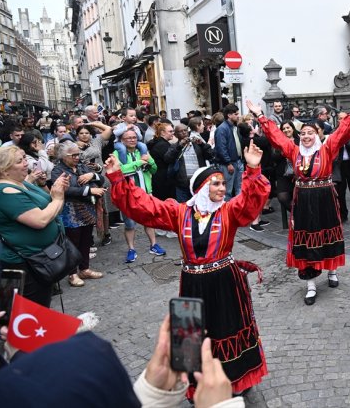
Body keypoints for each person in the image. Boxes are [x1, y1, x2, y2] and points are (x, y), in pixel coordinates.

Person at [108, 138, 269, 397]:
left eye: (223, 184)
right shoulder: (179, 212)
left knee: (229, 328)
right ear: (201, 188)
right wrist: (117, 177)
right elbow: (145, 207)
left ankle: (235, 380)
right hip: (192, 282)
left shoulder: (228, 211)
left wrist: (252, 169)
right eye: (214, 183)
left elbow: (251, 201)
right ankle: (196, 385)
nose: (221, 188)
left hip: (225, 281)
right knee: (191, 334)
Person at [248, 93, 350, 305]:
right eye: (303, 133)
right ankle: (311, 285)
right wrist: (260, 115)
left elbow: (343, 132)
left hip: (325, 199)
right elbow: (276, 136)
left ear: (318, 135)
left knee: (328, 235)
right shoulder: (293, 151)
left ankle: (331, 271)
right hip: (303, 200)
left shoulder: (327, 149)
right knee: (306, 240)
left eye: (310, 133)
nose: (306, 136)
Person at [0, 146, 70, 306]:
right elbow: (40, 220)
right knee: (33, 309)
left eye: (25, 158)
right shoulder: (4, 192)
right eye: (19, 161)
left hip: (41, 256)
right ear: (4, 170)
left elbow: (47, 200)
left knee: (42, 303)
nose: (26, 163)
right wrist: (58, 199)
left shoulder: (21, 182)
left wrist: (56, 191)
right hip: (25, 262)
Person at [51, 141, 105, 287]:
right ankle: (72, 274)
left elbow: (102, 179)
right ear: (63, 156)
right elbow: (66, 189)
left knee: (86, 240)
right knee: (72, 243)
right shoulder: (57, 170)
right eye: (73, 155)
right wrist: (89, 190)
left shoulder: (82, 166)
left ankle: (84, 269)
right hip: (70, 212)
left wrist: (92, 175)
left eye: (78, 154)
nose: (77, 157)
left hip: (87, 209)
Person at [113, 129, 166, 263]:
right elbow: (120, 171)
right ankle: (131, 249)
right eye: (128, 138)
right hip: (128, 195)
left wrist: (150, 163)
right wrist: (138, 163)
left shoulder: (142, 151)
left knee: (149, 220)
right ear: (122, 140)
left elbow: (154, 170)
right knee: (130, 224)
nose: (132, 140)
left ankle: (153, 245)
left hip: (145, 193)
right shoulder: (117, 153)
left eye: (134, 138)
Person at [76, 122, 114, 247]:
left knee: (103, 208)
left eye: (87, 133)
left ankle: (105, 233)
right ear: (77, 135)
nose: (84, 135)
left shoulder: (96, 141)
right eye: (81, 133)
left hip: (100, 177)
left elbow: (108, 128)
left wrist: (90, 123)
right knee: (87, 208)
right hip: (84, 179)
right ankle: (89, 236)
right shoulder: (73, 146)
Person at [167, 123, 213, 202]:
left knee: (199, 207)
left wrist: (202, 144)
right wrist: (179, 147)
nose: (184, 132)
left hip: (198, 182)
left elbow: (211, 154)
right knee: (183, 208)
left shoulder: (197, 145)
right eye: (180, 131)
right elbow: (168, 158)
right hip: (183, 184)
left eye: (185, 130)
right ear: (176, 134)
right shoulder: (174, 146)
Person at [214, 104, 243, 200]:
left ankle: (237, 210)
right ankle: (226, 212)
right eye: (236, 114)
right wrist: (228, 162)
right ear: (229, 115)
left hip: (238, 161)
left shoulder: (234, 127)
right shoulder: (222, 129)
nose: (238, 116)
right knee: (227, 191)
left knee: (239, 188)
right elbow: (221, 148)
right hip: (229, 163)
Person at [273, 120, 300, 213]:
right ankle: (297, 214)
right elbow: (274, 158)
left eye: (288, 127)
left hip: (299, 174)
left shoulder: (300, 140)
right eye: (283, 128)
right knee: (282, 197)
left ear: (292, 128)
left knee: (302, 197)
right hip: (283, 175)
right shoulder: (278, 142)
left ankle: (300, 216)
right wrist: (282, 152)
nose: (286, 130)